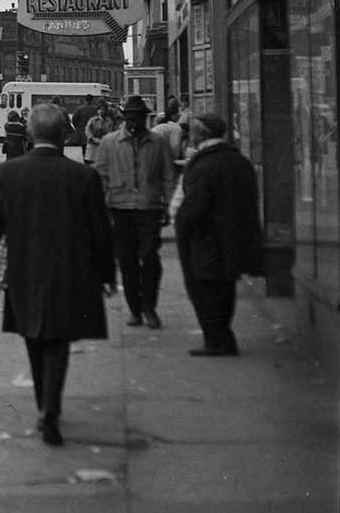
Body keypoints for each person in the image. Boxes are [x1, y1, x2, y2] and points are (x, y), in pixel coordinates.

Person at [0, 103, 116, 447]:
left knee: (33, 337)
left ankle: (45, 405)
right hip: (71, 271)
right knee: (59, 342)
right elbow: (101, 230)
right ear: (65, 134)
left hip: (24, 270)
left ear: (31, 134)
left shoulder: (7, 174)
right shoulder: (83, 176)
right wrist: (107, 273)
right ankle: (50, 408)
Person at [175, 113, 263, 355]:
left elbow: (192, 208)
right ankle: (223, 338)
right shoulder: (240, 162)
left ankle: (217, 341)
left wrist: (181, 227)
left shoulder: (204, 165)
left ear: (199, 135)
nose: (189, 136)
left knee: (204, 292)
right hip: (233, 240)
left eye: (192, 132)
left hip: (207, 241)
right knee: (224, 290)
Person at [93, 95, 177, 329]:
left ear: (145, 118)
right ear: (124, 117)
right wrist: (102, 209)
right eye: (130, 117)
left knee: (150, 258)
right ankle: (135, 310)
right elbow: (100, 177)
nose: (135, 121)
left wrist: (169, 206)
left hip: (149, 208)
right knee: (127, 261)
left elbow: (168, 177)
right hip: (119, 209)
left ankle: (149, 307)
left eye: (139, 117)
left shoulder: (158, 143)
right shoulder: (110, 143)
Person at [83, 100, 114, 167]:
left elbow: (110, 132)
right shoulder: (92, 120)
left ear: (106, 111)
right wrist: (92, 138)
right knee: (90, 163)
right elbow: (87, 130)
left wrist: (102, 140)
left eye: (103, 110)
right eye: (100, 109)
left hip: (103, 144)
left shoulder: (109, 121)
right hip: (92, 143)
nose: (101, 111)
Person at [70, 95, 100, 164]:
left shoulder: (80, 109)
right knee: (93, 150)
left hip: (82, 133)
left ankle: (86, 163)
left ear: (85, 100)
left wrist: (77, 127)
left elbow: (74, 119)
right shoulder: (95, 109)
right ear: (92, 100)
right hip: (93, 133)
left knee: (84, 149)